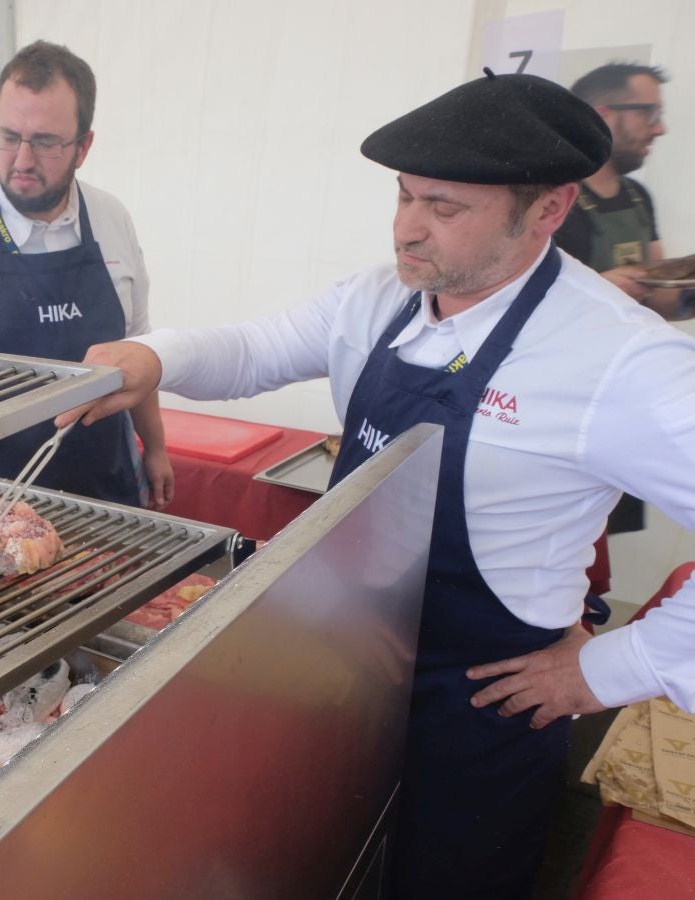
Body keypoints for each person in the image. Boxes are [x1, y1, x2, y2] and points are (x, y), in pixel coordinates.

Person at [61, 71, 695, 899]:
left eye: (445, 208)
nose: (407, 229)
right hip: (349, 678)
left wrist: (613, 669)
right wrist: (156, 356)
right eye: (403, 196)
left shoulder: (618, 358)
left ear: (549, 209)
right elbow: (255, 349)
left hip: (481, 711)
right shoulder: (380, 299)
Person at [0, 41, 172, 509]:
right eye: (8, 137)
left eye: (44, 142)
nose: (22, 160)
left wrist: (157, 446)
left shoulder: (112, 219)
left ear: (83, 147)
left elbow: (138, 348)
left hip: (111, 496)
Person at [556, 63, 693, 321]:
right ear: (603, 116)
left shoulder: (637, 196)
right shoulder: (547, 202)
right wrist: (597, 291)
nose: (660, 128)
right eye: (649, 113)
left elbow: (655, 298)